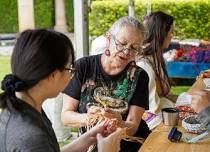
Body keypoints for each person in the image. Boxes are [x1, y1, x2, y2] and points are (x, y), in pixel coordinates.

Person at [0, 29, 123, 152]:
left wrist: (90, 137)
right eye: (70, 68)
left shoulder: (22, 108)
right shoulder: (31, 137)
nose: (71, 74)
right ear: (53, 75)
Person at [62, 16, 151, 152]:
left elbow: (133, 126)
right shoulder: (83, 66)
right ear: (109, 38)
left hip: (131, 146)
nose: (127, 51)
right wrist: (93, 118)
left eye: (134, 48)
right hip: (92, 144)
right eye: (122, 43)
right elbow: (66, 116)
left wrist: (119, 122)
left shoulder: (139, 76)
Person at [137, 11, 177, 114]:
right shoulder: (144, 65)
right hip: (152, 123)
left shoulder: (155, 57)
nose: (172, 36)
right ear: (162, 33)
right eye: (171, 32)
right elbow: (153, 109)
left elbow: (162, 95)